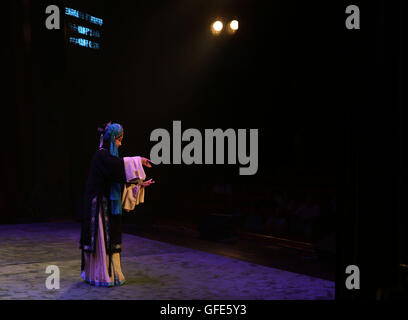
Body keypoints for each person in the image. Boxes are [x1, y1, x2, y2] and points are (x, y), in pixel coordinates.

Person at [79, 122, 155, 286]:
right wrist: (138, 160)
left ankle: (106, 273)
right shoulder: (102, 156)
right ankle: (100, 274)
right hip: (99, 207)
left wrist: (139, 184)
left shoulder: (108, 157)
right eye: (120, 140)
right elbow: (117, 167)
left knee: (109, 239)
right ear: (113, 139)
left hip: (105, 204)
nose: (121, 143)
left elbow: (117, 175)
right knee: (102, 240)